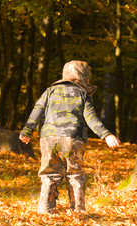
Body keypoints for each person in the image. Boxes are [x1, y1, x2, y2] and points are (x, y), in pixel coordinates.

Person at [19, 60, 120, 214]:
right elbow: (91, 118)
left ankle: (45, 210)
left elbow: (37, 110)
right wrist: (106, 135)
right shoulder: (83, 94)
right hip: (73, 138)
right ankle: (78, 211)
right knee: (75, 174)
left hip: (48, 138)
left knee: (49, 173)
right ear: (85, 78)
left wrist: (27, 131)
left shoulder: (50, 91)